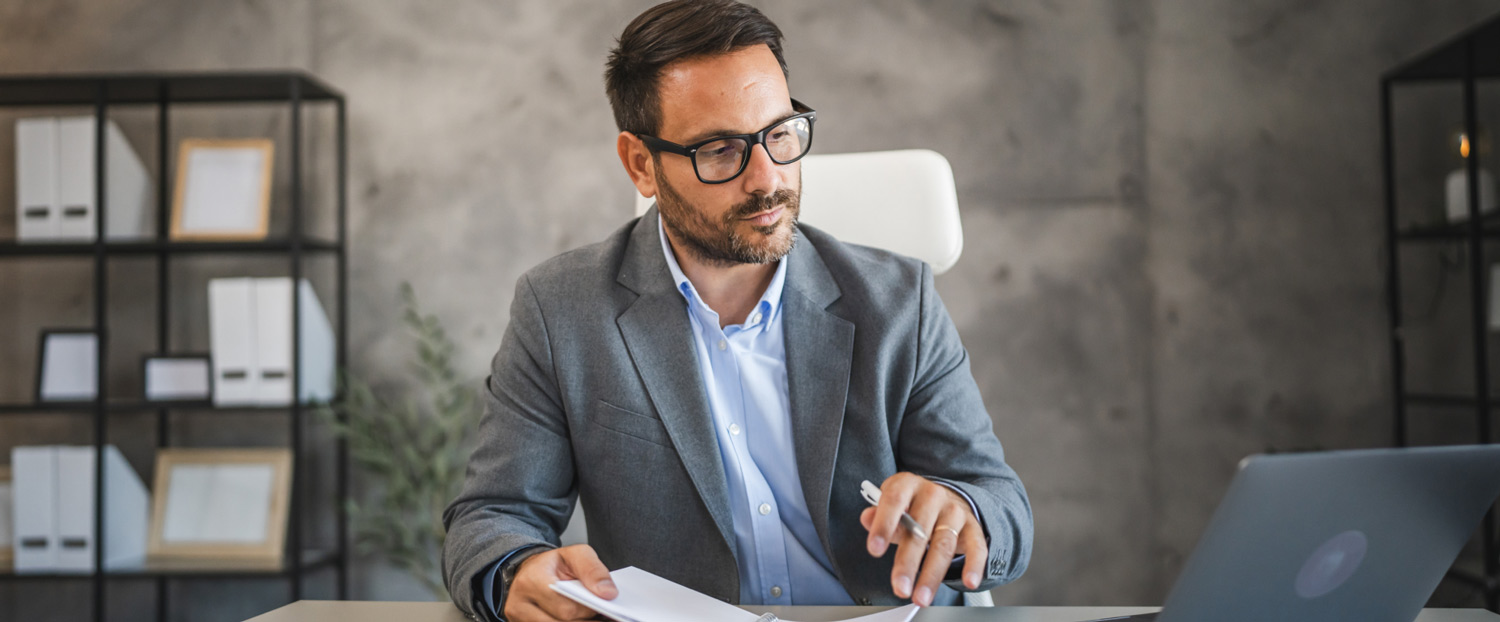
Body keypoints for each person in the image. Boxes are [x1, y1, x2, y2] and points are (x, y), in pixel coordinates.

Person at [442, 2, 1033, 621]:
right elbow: (491, 517)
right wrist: (514, 570)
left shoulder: (898, 300)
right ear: (642, 164)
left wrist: (965, 515)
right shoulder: (561, 310)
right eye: (722, 149)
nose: (767, 177)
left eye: (781, 133)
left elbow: (1003, 505)